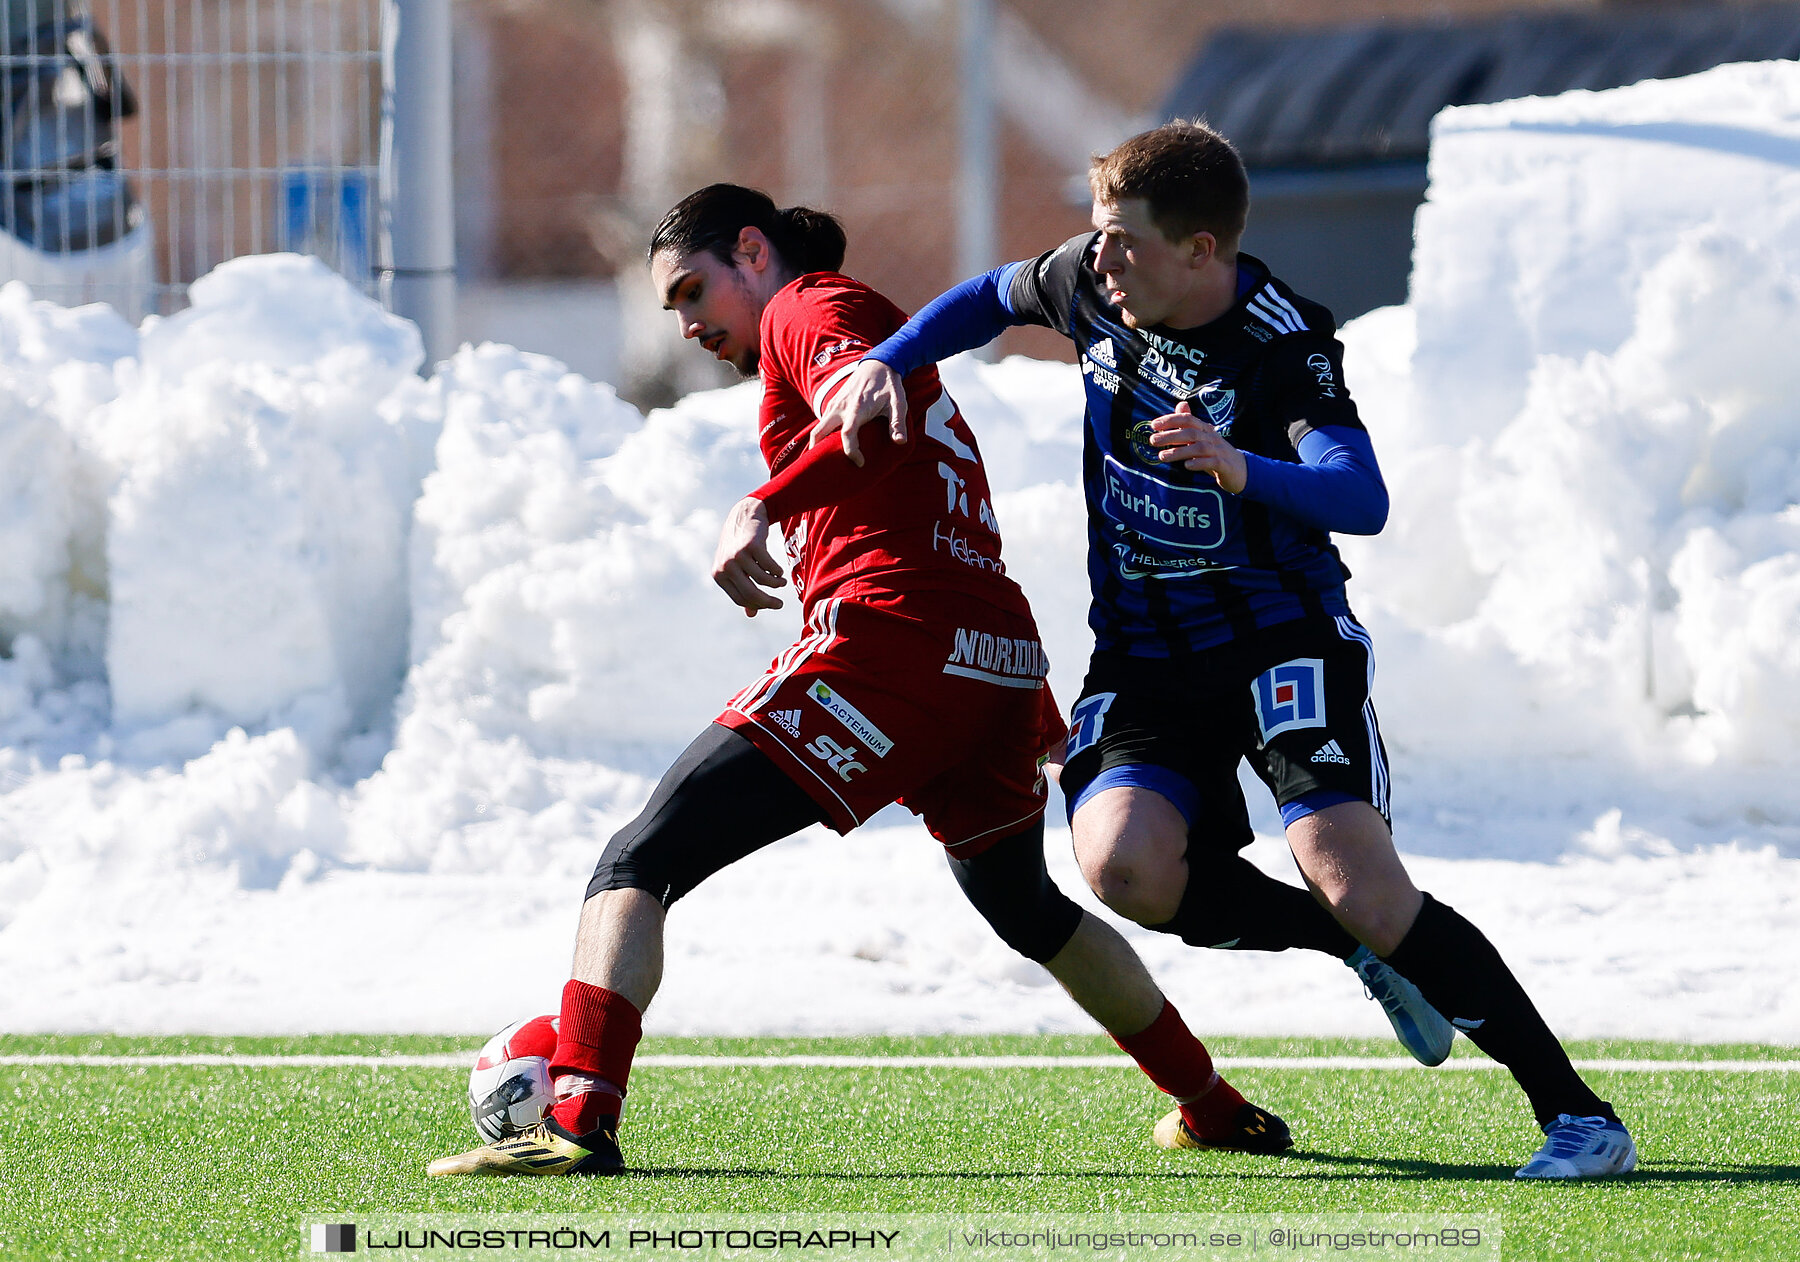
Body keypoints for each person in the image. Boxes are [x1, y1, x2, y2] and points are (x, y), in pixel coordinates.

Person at [427, 183, 1317, 1178]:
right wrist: (1026, 695)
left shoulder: (814, 307)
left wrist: (762, 504)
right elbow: (947, 508)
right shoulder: (836, 320)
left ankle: (578, 1112)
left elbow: (865, 405)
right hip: (988, 656)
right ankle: (1211, 1101)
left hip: (893, 647)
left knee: (637, 859)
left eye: (692, 290)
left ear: (753, 253)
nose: (686, 324)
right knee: (1026, 907)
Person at [818, 122, 1637, 1181]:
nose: (1099, 261)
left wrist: (1237, 466)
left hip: (1280, 640)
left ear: (1202, 251)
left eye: (1126, 243)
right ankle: (1354, 950)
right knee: (1124, 868)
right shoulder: (1089, 282)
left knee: (1363, 883)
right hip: (1147, 656)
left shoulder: (1283, 343)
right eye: (1098, 237)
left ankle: (1579, 1117)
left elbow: (1362, 495)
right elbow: (988, 295)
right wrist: (888, 360)